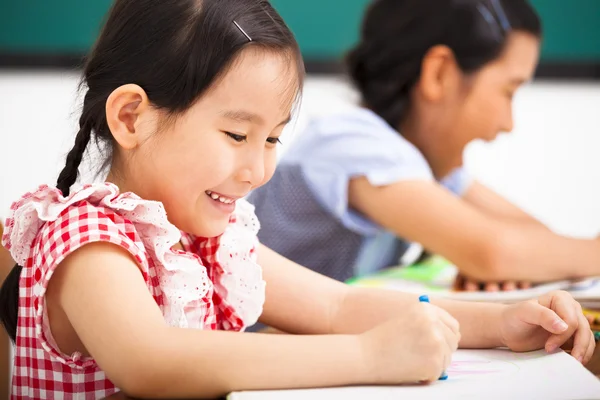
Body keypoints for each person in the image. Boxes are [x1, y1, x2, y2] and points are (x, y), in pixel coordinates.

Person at [0, 0, 594, 398]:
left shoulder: (215, 241)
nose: (258, 168)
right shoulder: (89, 241)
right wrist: (367, 359)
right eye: (237, 135)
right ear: (132, 117)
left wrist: (504, 323)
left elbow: (338, 307)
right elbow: (150, 361)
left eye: (274, 138)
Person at [249, 0, 600, 291]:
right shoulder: (351, 143)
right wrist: (498, 261)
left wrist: (512, 266)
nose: (508, 123)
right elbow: (493, 249)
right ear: (439, 74)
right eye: (508, 91)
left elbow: (533, 241)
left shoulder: (427, 166)